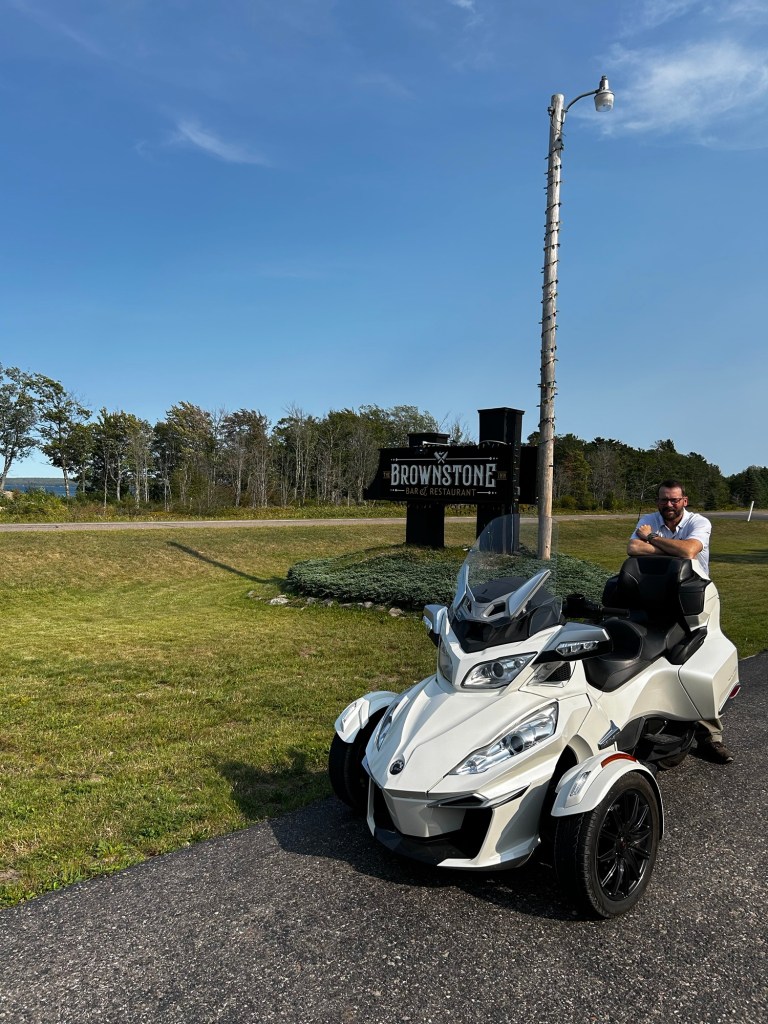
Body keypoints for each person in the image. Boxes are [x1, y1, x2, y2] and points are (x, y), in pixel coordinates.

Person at [628, 479, 733, 765]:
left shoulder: (699, 522)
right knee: (656, 659)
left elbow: (689, 551)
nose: (669, 505)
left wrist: (652, 539)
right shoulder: (650, 519)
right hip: (655, 599)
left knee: (699, 664)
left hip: (695, 601)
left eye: (674, 499)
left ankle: (711, 737)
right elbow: (633, 548)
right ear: (658, 501)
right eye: (664, 499)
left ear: (684, 501)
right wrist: (673, 548)